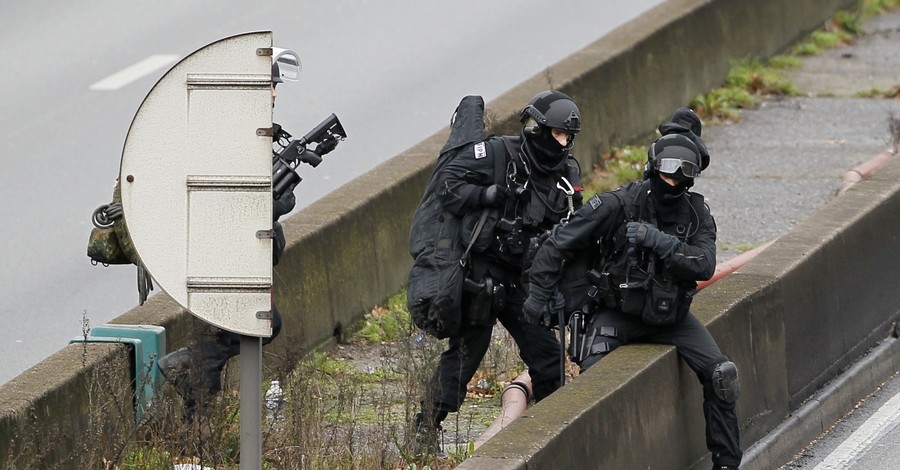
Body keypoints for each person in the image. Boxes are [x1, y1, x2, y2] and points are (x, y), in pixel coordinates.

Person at [523, 118, 742, 470]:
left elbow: (703, 265)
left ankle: (728, 464)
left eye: (680, 177)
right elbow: (558, 245)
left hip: (672, 317)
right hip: (616, 315)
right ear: (652, 169)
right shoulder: (617, 204)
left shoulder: (697, 213)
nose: (671, 182)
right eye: (666, 174)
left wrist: (658, 241)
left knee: (722, 377)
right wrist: (537, 297)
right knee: (598, 390)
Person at [414, 90, 584, 452]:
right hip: (480, 275)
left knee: (547, 356)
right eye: (557, 134)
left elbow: (573, 227)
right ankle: (425, 428)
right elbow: (447, 186)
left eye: (568, 137)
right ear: (537, 129)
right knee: (464, 356)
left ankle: (551, 432)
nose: (563, 142)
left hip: (520, 280)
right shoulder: (494, 154)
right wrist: (488, 195)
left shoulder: (565, 175)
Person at [157, 50, 299, 420]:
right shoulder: (232, 135)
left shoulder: (238, 130)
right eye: (271, 84)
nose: (275, 94)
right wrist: (271, 207)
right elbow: (230, 202)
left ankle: (197, 426)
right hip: (220, 258)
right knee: (258, 323)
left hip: (225, 255)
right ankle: (187, 384)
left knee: (251, 327)